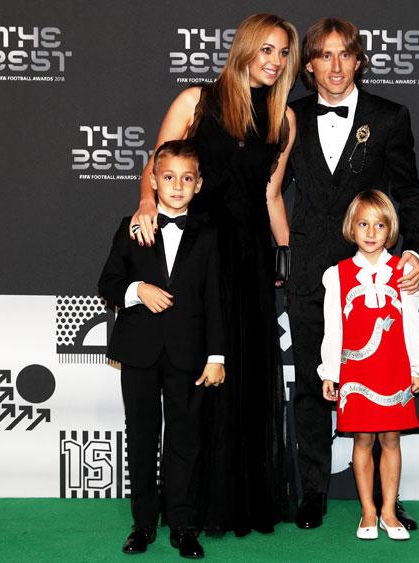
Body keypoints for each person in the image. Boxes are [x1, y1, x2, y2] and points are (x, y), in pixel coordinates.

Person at [129, 14, 300, 536]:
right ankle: (185, 504)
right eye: (266, 49)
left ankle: (232, 503)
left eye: (282, 53)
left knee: (241, 375)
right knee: (191, 378)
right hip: (197, 256)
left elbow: (270, 195)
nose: (273, 61)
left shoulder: (284, 119)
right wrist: (144, 206)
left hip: (248, 259)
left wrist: (288, 251)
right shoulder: (195, 102)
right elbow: (155, 165)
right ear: (246, 47)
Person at [288, 17, 419, 529]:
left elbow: (409, 192)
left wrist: (412, 254)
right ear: (308, 66)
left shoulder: (389, 117)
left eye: (345, 54)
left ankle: (384, 503)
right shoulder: (289, 116)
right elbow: (267, 189)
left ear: (359, 60)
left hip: (374, 273)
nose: (335, 65)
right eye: (324, 55)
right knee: (310, 382)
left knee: (383, 382)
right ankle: (312, 492)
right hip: (306, 270)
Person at [99, 140, 225, 558]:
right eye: (168, 177)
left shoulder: (208, 235)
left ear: (199, 184)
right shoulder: (131, 226)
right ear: (153, 180)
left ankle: (184, 526)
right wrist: (138, 290)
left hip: (189, 355)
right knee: (141, 437)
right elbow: (109, 284)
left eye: (186, 179)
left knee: (185, 440)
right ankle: (143, 525)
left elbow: (215, 301)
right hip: (138, 352)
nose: (176, 186)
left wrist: (217, 356)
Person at [319, 189, 419, 540]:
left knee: (391, 440)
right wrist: (330, 372)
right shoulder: (336, 275)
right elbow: (332, 328)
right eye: (363, 224)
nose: (370, 232)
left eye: (379, 225)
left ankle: (388, 512)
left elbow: (413, 323)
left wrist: (418, 368)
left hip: (394, 368)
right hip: (356, 373)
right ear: (351, 228)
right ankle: (367, 511)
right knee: (363, 439)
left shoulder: (404, 272)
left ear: (390, 230)